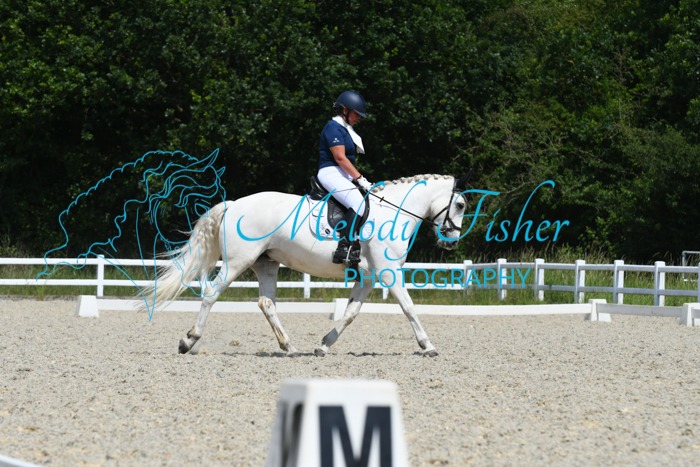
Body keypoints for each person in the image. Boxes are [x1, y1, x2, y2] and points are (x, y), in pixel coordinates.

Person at [317, 90, 375, 266]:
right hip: (330, 172)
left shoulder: (346, 130)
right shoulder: (333, 128)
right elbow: (340, 158)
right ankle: (344, 248)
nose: (359, 118)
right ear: (344, 110)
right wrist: (360, 178)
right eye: (356, 114)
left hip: (342, 175)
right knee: (358, 203)